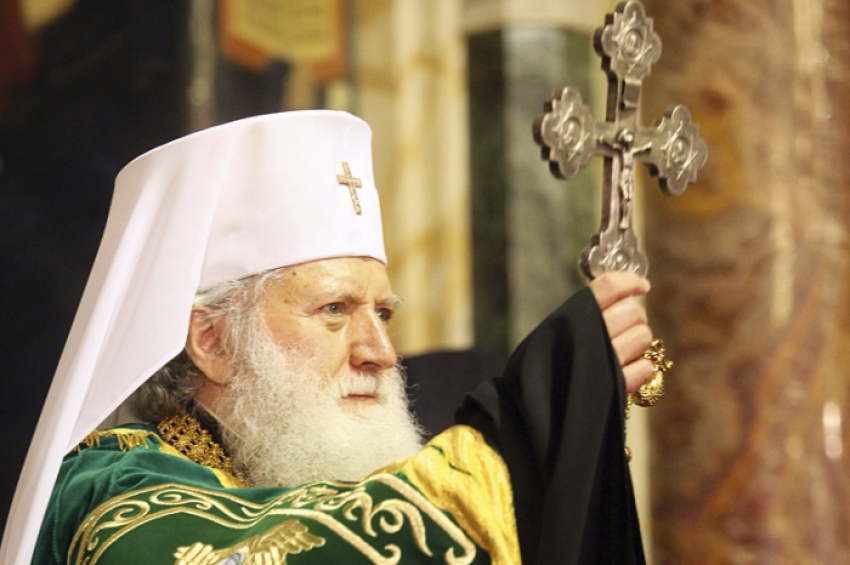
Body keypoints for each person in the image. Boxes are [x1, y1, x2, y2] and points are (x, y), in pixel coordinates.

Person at [0, 111, 654, 565]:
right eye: (335, 309)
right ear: (214, 343)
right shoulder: (110, 487)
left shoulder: (323, 475)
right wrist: (519, 434)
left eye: (384, 314)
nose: (381, 352)